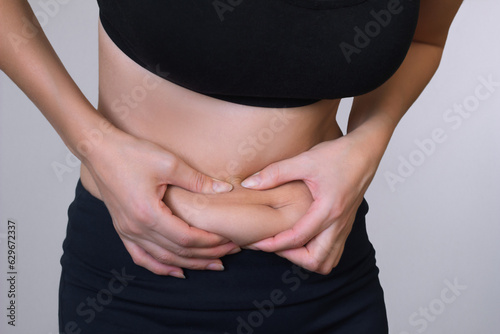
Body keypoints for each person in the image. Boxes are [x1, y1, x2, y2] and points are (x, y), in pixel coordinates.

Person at [0, 0, 463, 333]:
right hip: (137, 278)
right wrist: (94, 145)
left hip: (325, 282)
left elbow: (425, 36)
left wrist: (368, 143)